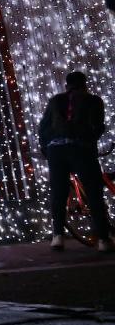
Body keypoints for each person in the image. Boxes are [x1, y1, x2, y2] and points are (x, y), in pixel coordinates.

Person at [38, 71, 113, 253]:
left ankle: (57, 236)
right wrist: (89, 141)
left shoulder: (55, 100)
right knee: (94, 192)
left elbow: (43, 127)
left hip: (56, 150)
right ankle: (103, 239)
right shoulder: (93, 100)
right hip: (81, 149)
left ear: (67, 85)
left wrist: (47, 148)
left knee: (58, 192)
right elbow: (98, 125)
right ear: (84, 84)